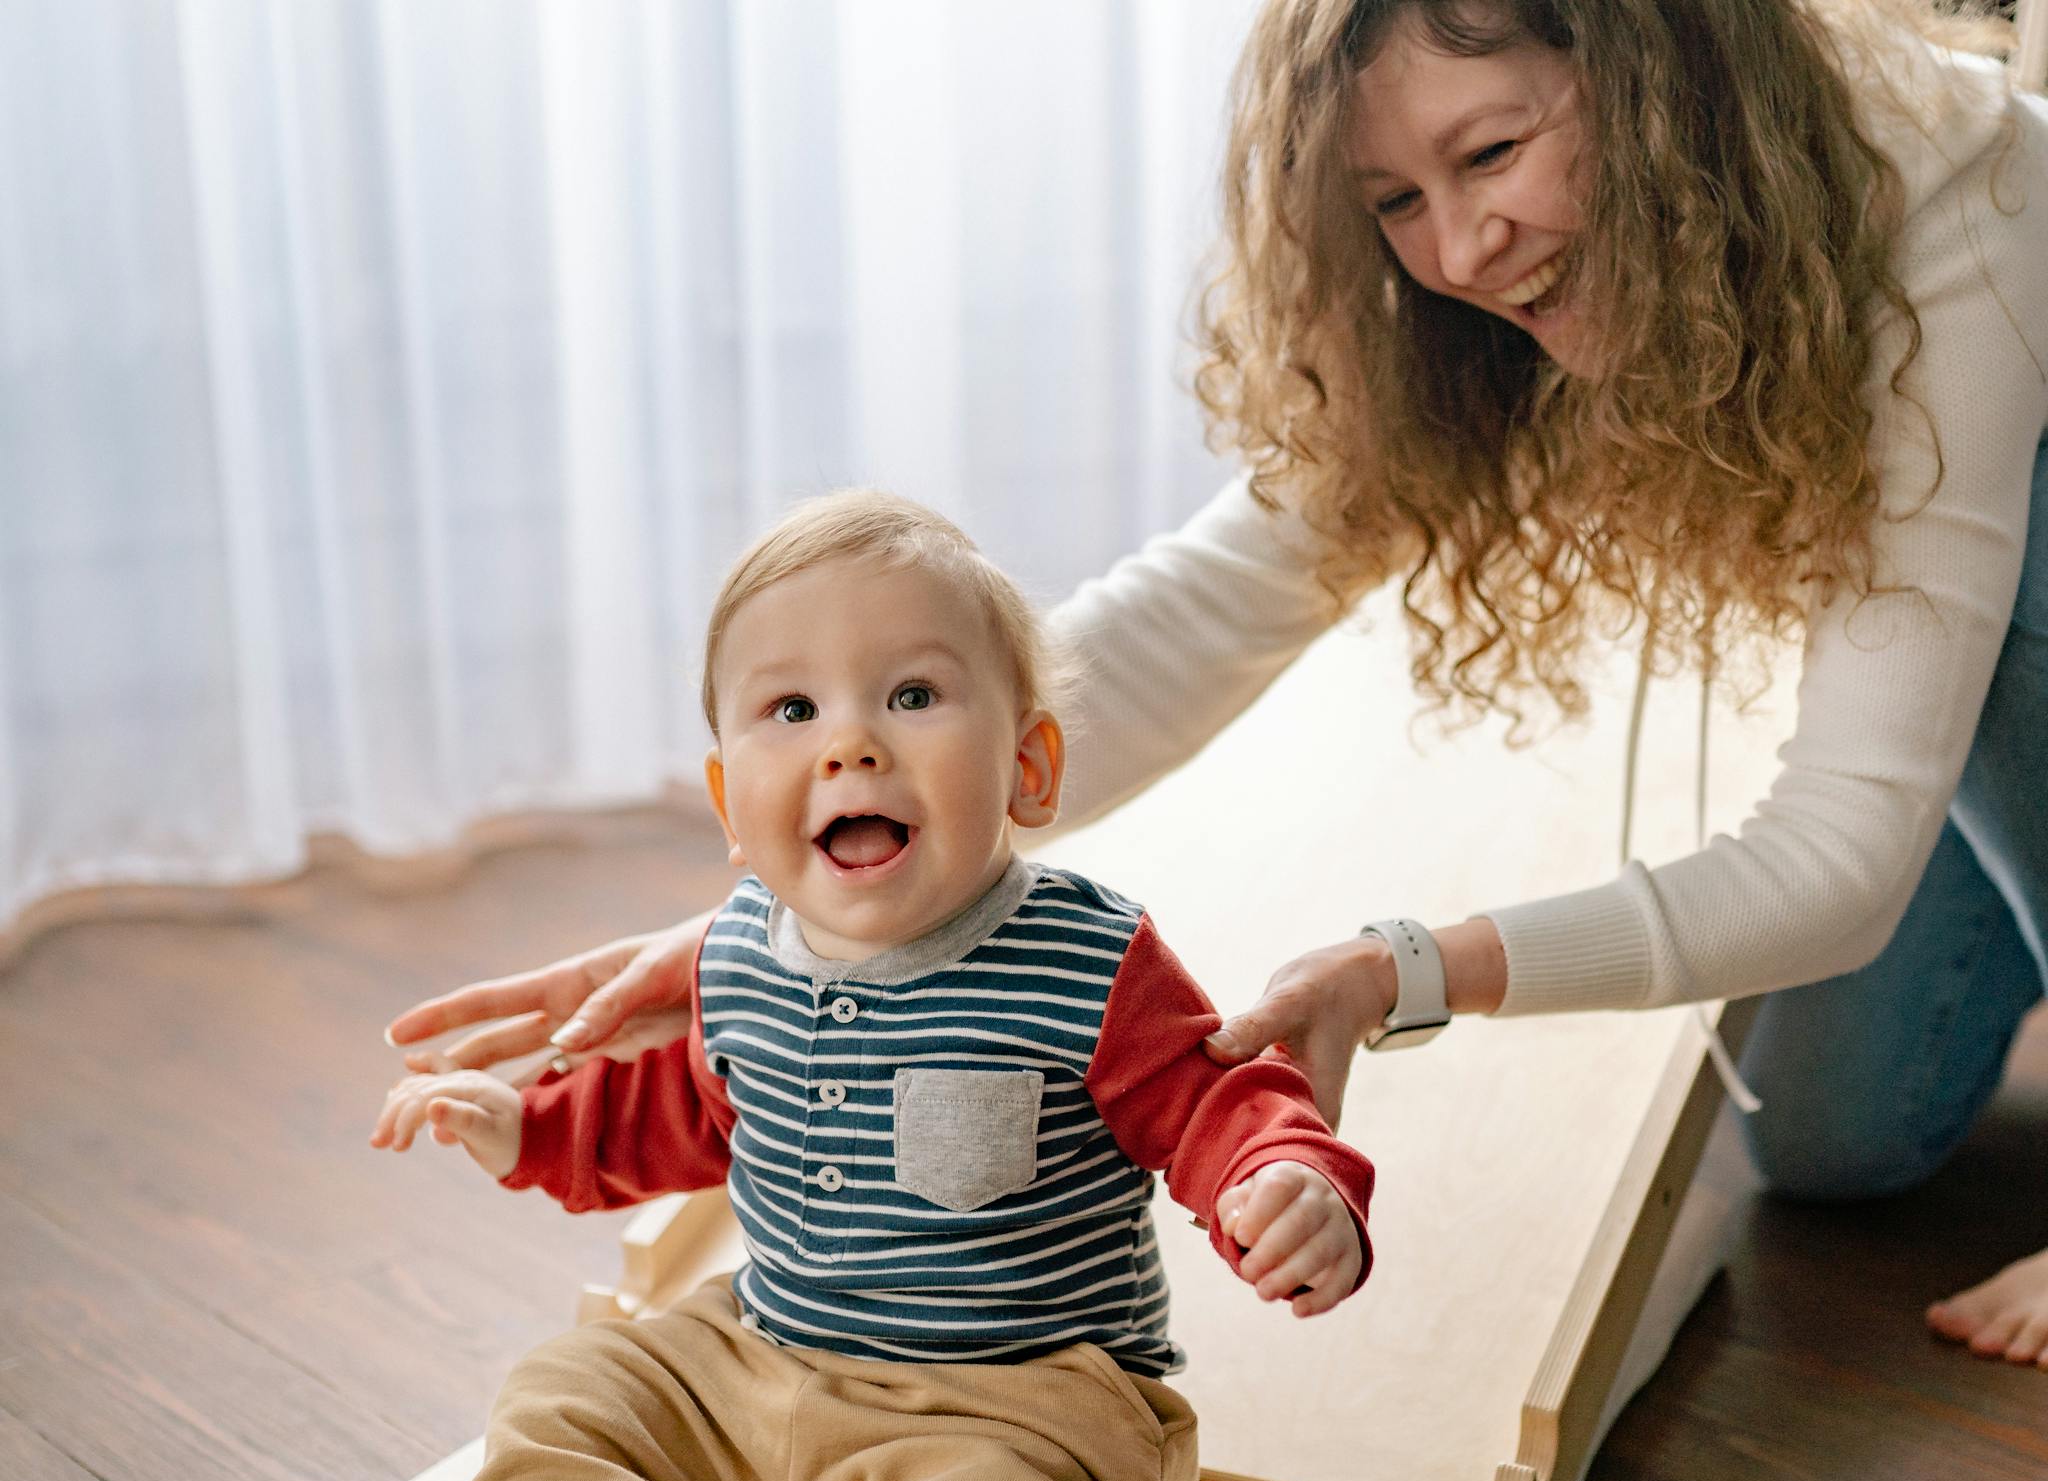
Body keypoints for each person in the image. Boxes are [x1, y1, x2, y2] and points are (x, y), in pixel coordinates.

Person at [390, 0, 2048, 1367]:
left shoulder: (1963, 197)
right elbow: (1201, 614)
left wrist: (1400, 971)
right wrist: (797, 908)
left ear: (1660, 74)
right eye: (1396, 201)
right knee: (1835, 1143)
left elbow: (1835, 861)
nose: (1464, 245)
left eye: (1494, 150)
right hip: (1974, 663)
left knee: (2004, 635)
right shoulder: (1475, 296)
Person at [247, 491, 1375, 1481]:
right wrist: (525, 1125)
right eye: (791, 708)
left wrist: (1286, 1183)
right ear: (731, 805)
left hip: (1014, 1414)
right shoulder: (737, 956)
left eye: (912, 694)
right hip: (757, 1373)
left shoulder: (1092, 957)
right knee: (578, 1391)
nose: (851, 741)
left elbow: (1218, 1104)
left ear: (1027, 767)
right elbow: (683, 1118)